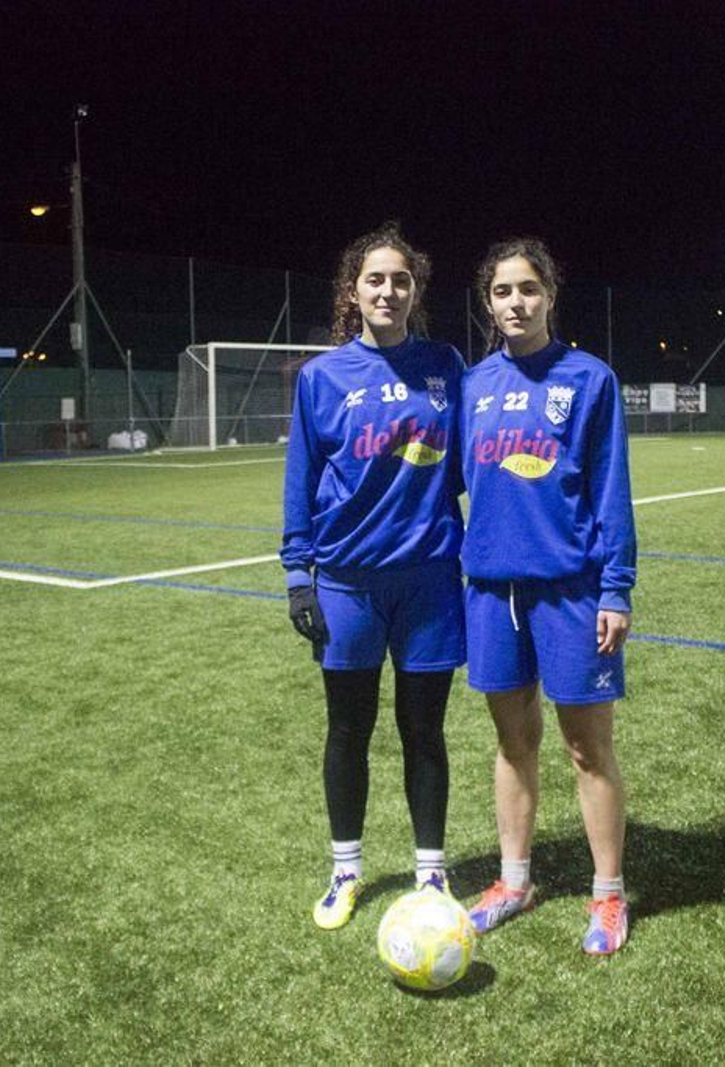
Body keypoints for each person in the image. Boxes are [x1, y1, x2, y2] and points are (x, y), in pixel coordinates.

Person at [281, 224, 468, 930]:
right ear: (352, 292)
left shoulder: (445, 365)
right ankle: (347, 870)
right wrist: (299, 575)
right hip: (348, 583)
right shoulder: (322, 378)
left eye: (400, 280)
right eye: (374, 279)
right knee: (348, 729)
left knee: (425, 730)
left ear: (414, 291)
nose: (387, 290)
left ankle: (430, 872)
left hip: (428, 580)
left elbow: (468, 467)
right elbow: (300, 478)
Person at [459, 237, 637, 956]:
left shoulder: (589, 379)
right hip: (491, 590)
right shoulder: (473, 386)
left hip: (571, 591)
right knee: (513, 741)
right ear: (488, 302)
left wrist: (615, 588)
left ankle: (608, 893)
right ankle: (514, 880)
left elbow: (610, 491)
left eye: (527, 289)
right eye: (502, 291)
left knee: (586, 746)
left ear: (549, 296)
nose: (515, 302)